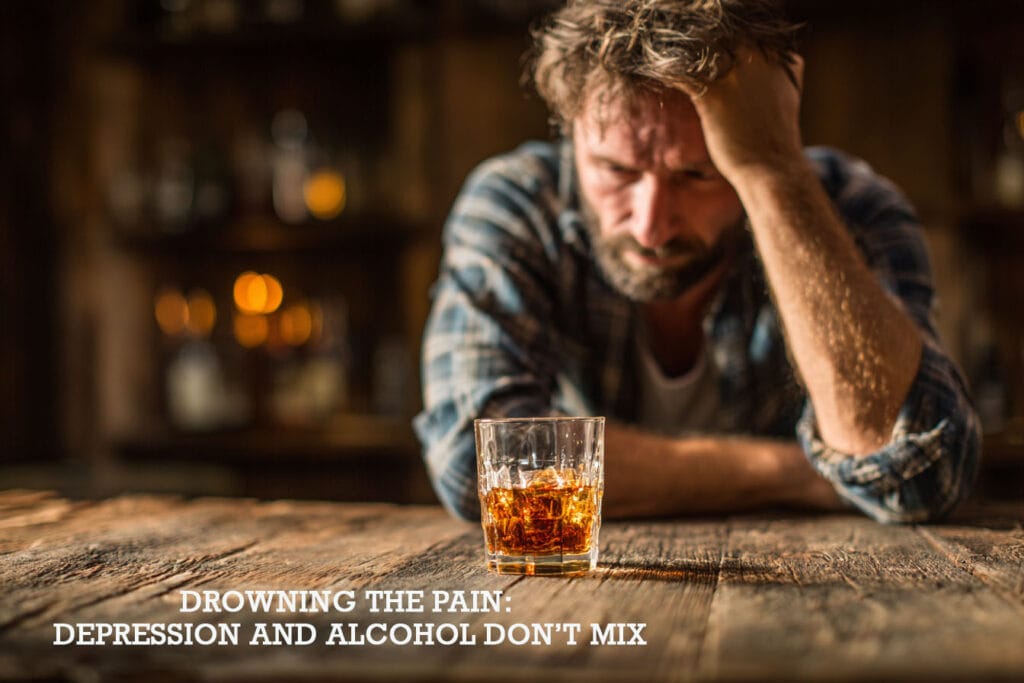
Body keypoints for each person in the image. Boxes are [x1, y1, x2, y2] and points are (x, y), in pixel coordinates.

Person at [413, 0, 980, 523]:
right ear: (571, 133)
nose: (650, 224)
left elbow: (919, 474)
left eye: (697, 175)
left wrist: (771, 172)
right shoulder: (519, 203)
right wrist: (805, 474)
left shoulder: (850, 209)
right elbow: (480, 464)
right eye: (616, 171)